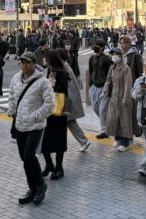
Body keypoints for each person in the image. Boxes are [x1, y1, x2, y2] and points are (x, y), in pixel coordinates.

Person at [8, 52, 55, 206]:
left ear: (34, 64)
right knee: (24, 158)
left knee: (29, 156)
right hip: (20, 124)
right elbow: (11, 96)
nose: (25, 65)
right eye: (22, 62)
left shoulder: (43, 82)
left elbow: (50, 104)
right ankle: (32, 188)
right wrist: (12, 110)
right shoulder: (16, 78)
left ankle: (41, 185)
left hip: (35, 125)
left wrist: (36, 116)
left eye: (28, 62)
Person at [41, 50, 70, 180]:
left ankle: (59, 167)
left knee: (58, 139)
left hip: (58, 110)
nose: (44, 59)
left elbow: (63, 91)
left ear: (51, 59)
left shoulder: (61, 72)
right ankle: (49, 164)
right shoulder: (48, 70)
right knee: (43, 139)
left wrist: (52, 85)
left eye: (46, 58)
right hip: (47, 109)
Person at [104, 47, 139, 152]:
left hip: (124, 96)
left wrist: (125, 99)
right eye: (112, 54)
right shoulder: (112, 67)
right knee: (114, 119)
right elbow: (108, 80)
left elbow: (128, 85)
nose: (113, 56)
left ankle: (125, 142)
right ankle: (118, 138)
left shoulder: (126, 68)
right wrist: (106, 89)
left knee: (124, 121)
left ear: (120, 55)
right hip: (114, 97)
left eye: (116, 54)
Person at [56, 48, 90, 152]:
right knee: (68, 121)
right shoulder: (64, 65)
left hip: (65, 100)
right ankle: (83, 140)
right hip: (65, 99)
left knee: (68, 121)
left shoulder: (62, 67)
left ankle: (83, 141)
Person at [87, 40, 112, 139]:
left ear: (102, 47)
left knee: (103, 110)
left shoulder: (107, 59)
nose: (95, 47)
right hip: (94, 86)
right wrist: (90, 85)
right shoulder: (92, 58)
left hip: (104, 87)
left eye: (98, 46)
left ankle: (104, 131)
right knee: (95, 108)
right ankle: (107, 124)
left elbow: (110, 74)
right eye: (95, 45)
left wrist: (108, 87)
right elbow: (90, 71)